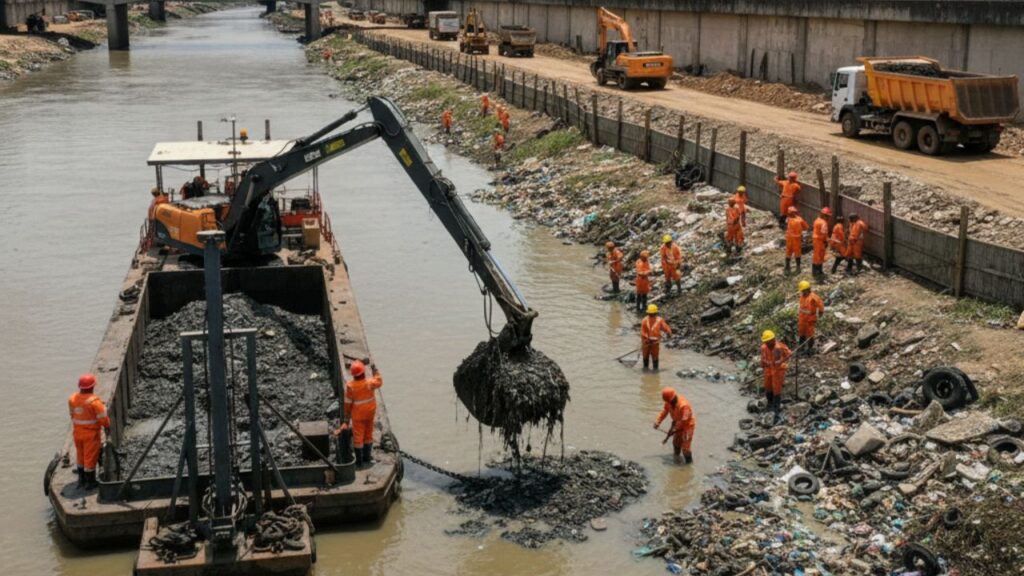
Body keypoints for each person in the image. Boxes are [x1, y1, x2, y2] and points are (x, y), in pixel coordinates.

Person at [68, 374, 110, 489]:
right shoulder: (94, 402)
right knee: (90, 457)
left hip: (77, 433)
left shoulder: (72, 399)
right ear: (92, 387)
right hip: (91, 434)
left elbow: (72, 415)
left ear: (80, 387)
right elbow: (103, 419)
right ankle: (90, 482)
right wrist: (107, 426)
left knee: (80, 456)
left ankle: (81, 480)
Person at [343, 360, 383, 468]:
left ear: (353, 375)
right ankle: (367, 457)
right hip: (370, 414)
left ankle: (359, 462)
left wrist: (346, 416)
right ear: (364, 372)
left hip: (358, 416)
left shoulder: (350, 386)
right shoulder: (370, 383)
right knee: (368, 434)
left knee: (358, 437)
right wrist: (375, 371)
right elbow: (379, 381)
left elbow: (347, 403)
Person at [654, 387, 695, 464]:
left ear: (673, 398)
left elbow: (684, 420)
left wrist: (674, 429)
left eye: (669, 401)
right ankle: (677, 460)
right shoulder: (669, 402)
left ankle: (688, 465)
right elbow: (664, 412)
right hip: (677, 423)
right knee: (676, 443)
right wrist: (658, 422)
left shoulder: (684, 406)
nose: (669, 403)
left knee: (685, 448)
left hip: (687, 425)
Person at [760, 330, 792, 422]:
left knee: (776, 389)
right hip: (768, 369)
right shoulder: (763, 348)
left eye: (771, 340)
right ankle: (769, 405)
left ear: (774, 339)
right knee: (768, 388)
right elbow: (762, 358)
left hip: (778, 370)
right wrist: (763, 364)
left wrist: (782, 360)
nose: (770, 343)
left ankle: (776, 410)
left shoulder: (780, 347)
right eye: (767, 341)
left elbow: (789, 354)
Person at [797, 280, 825, 356]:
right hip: (802, 319)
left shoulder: (813, 297)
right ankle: (801, 348)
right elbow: (801, 307)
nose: (802, 292)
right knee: (801, 333)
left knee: (810, 335)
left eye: (803, 291)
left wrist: (820, 314)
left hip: (810, 319)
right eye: (802, 291)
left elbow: (821, 305)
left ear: (807, 289)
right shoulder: (802, 296)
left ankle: (809, 350)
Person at [641, 304, 672, 371]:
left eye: (652, 314)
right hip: (646, 342)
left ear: (655, 313)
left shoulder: (659, 320)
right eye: (650, 314)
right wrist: (647, 339)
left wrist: (669, 333)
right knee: (645, 356)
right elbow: (643, 332)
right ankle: (645, 369)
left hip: (655, 342)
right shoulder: (644, 320)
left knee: (655, 356)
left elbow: (666, 328)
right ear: (648, 313)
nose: (651, 315)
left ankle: (655, 370)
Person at [784, 206, 809, 274]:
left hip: (794, 238)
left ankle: (792, 266)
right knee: (791, 252)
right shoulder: (798, 219)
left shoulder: (789, 219)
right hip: (793, 238)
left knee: (793, 252)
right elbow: (806, 227)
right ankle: (791, 266)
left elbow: (806, 227)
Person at [811, 207, 832, 278]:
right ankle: (818, 271)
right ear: (824, 215)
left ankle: (816, 271)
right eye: (828, 216)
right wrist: (826, 241)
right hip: (820, 240)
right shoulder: (823, 223)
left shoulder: (817, 220)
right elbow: (824, 234)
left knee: (817, 255)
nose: (828, 218)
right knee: (819, 255)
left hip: (816, 239)